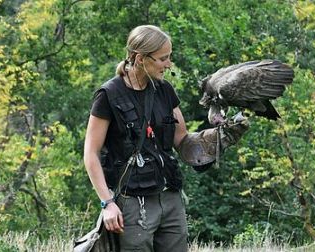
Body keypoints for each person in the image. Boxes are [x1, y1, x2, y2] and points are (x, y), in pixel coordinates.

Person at [83, 25, 248, 251]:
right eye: (163, 59)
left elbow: (182, 141)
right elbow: (90, 153)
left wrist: (219, 137)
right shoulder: (109, 95)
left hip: (169, 197)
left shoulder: (164, 90)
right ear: (140, 58)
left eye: (169, 57)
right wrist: (107, 203)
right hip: (131, 203)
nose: (169, 64)